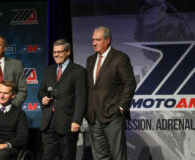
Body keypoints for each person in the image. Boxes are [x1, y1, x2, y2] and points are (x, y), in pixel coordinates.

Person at [85, 26, 137, 160]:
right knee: (100, 156)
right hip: (94, 117)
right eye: (93, 40)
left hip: (112, 115)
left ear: (107, 40)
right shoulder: (90, 60)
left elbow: (130, 83)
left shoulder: (119, 58)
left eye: (98, 40)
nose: (94, 43)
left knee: (118, 155)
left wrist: (121, 107)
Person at [38, 39, 87, 160]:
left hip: (67, 122)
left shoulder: (78, 71)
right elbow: (41, 90)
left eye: (59, 52)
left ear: (68, 52)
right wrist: (42, 98)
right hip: (48, 122)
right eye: (54, 52)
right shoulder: (48, 70)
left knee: (67, 156)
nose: (56, 55)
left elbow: (81, 98)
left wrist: (77, 120)